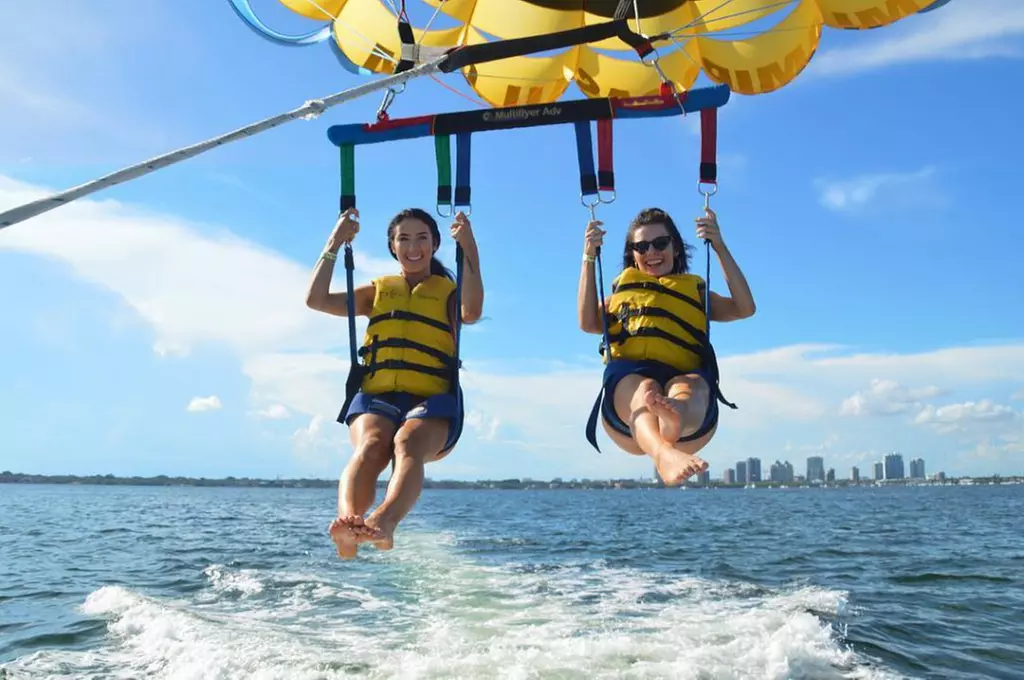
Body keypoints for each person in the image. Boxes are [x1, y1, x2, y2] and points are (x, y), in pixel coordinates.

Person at [306, 206, 483, 559]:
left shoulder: (449, 294)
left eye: (421, 238)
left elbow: (472, 311)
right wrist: (335, 242)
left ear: (434, 244)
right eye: (404, 238)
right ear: (392, 246)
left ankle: (384, 523)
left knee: (407, 441)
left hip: (432, 401)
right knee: (372, 444)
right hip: (377, 395)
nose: (413, 246)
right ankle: (349, 523)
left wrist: (469, 247)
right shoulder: (378, 292)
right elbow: (316, 300)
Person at [577, 206, 754, 486]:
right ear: (633, 255)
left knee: (685, 387)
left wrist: (719, 245)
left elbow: (745, 308)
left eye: (660, 243)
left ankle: (672, 421)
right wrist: (589, 255)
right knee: (646, 390)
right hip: (627, 417)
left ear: (676, 248)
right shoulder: (620, 297)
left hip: (693, 419)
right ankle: (665, 449)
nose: (652, 252)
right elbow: (587, 321)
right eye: (642, 246)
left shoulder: (696, 294)